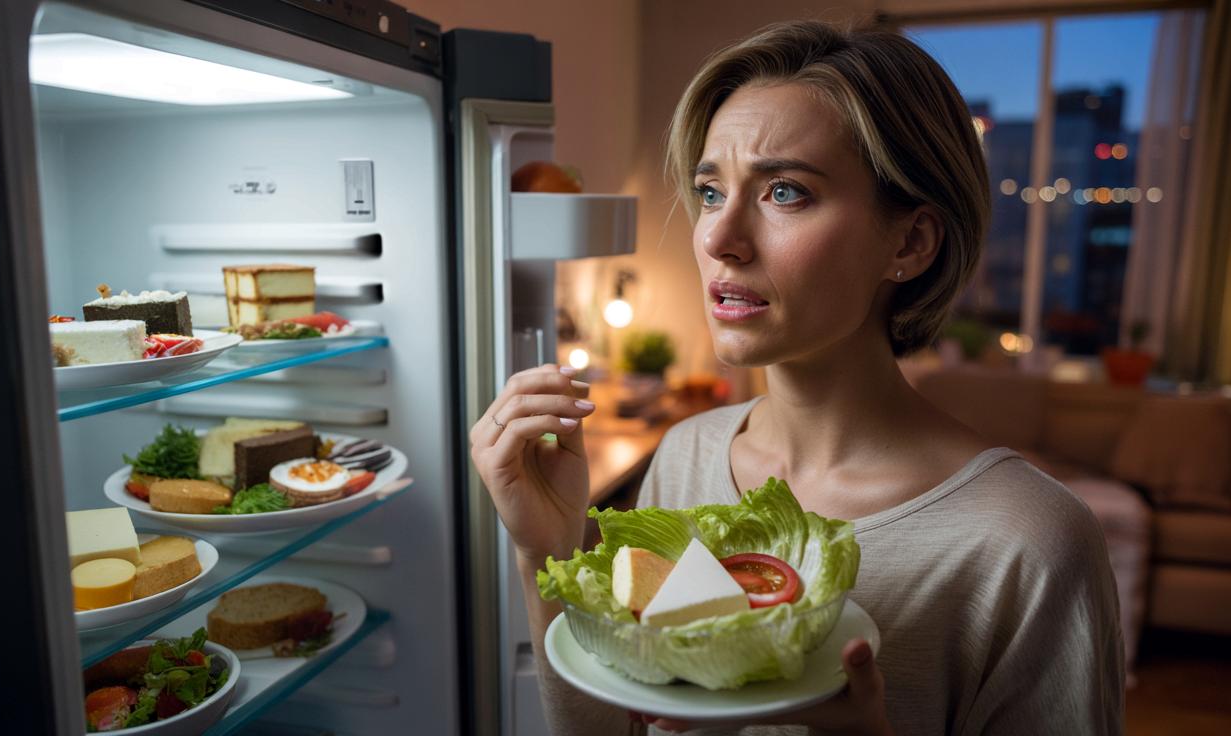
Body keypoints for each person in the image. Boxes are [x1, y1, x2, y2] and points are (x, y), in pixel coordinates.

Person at [470, 19, 1124, 736]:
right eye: (711, 191)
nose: (719, 239)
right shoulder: (685, 457)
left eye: (784, 193)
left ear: (909, 242)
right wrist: (547, 551)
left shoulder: (1029, 544)